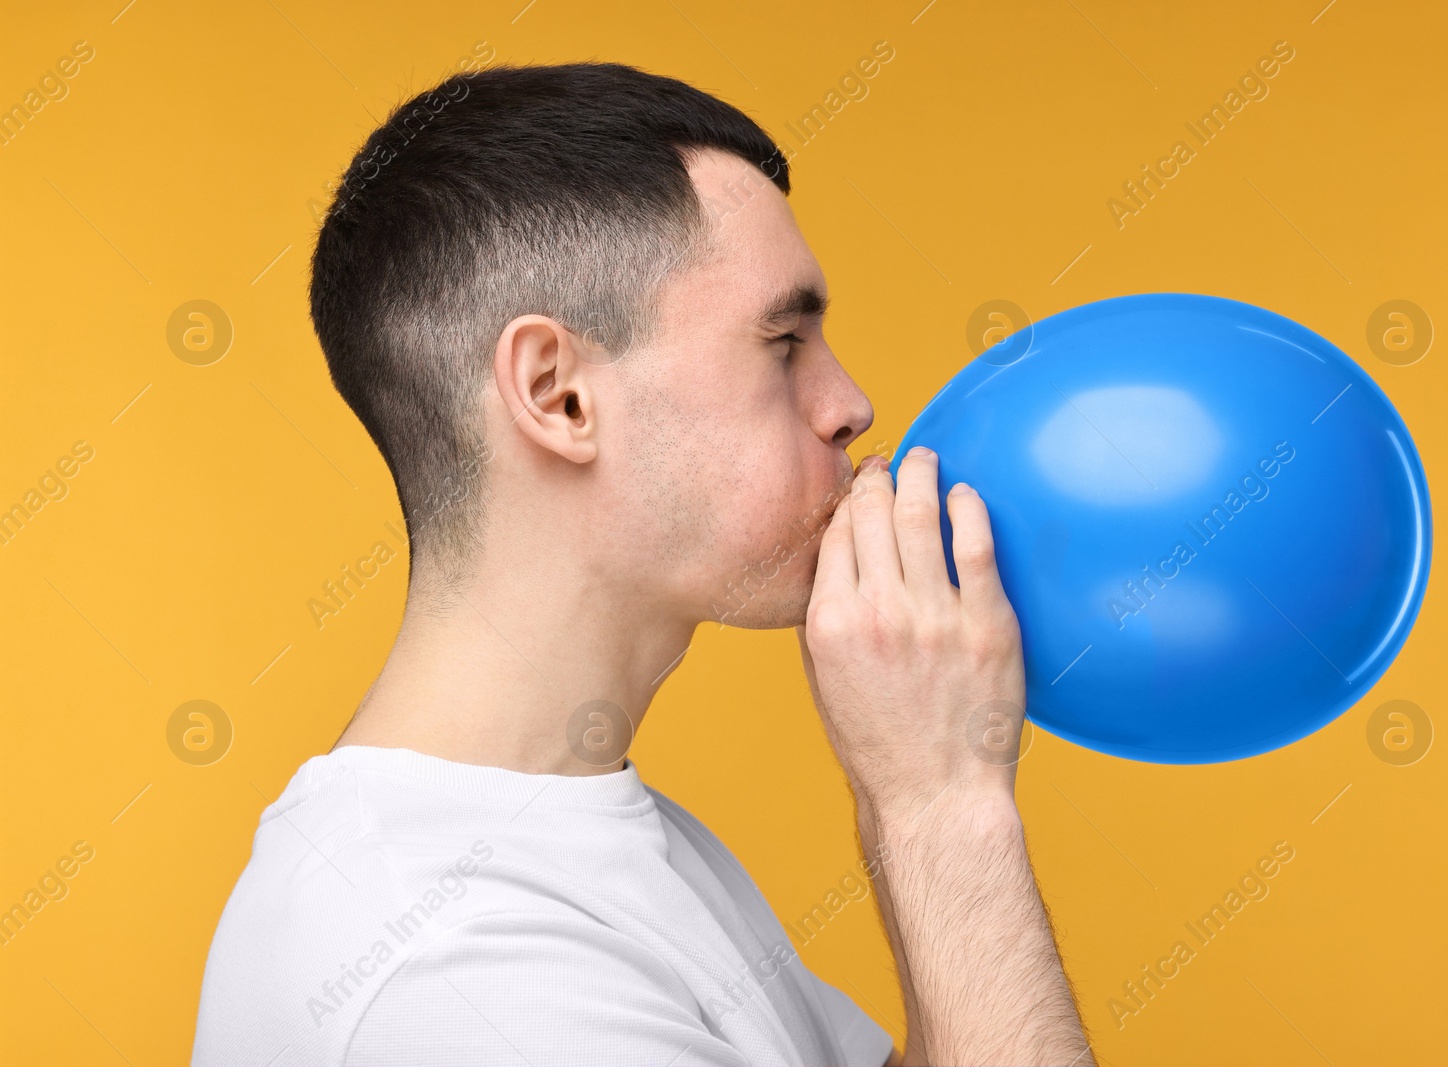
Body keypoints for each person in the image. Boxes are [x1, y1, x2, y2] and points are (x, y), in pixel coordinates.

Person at [193, 61, 1095, 1067]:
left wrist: (911, 793)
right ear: (559, 396)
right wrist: (941, 801)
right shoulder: (448, 961)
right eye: (783, 339)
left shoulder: (595, 839)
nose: (849, 403)